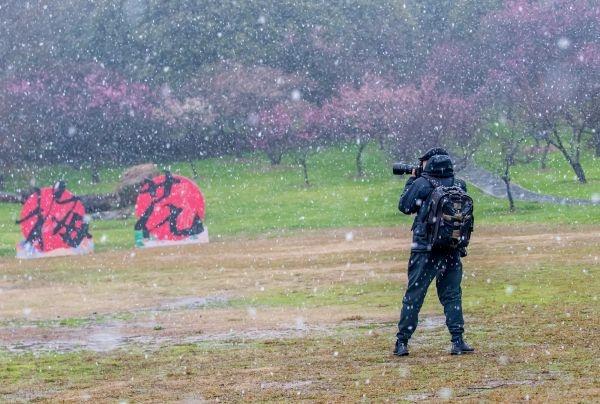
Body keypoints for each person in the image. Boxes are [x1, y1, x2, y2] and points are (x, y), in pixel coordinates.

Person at [393, 147, 474, 356]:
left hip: (425, 249)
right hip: (451, 248)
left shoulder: (422, 184)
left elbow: (404, 206)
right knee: (452, 295)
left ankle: (402, 342)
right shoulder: (459, 184)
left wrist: (412, 180)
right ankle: (458, 340)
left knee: (414, 296)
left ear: (428, 164)